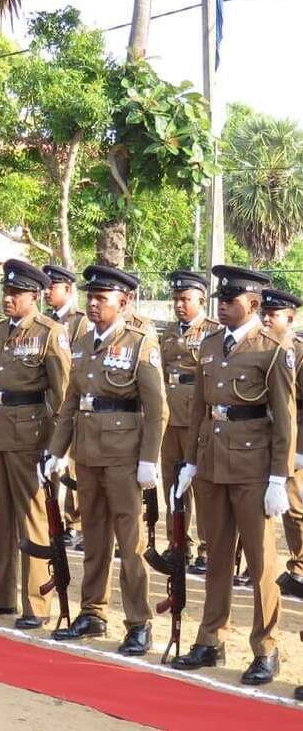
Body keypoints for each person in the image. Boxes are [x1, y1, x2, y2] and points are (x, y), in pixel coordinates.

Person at [172, 266, 295, 686]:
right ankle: (211, 639)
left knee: (261, 562)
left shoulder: (273, 348)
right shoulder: (209, 345)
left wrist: (278, 478)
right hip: (212, 464)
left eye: (231, 299)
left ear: (254, 303)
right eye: (220, 299)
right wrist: (191, 462)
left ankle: (266, 648)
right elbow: (198, 409)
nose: (222, 305)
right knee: (217, 556)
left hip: (252, 468)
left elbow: (285, 420)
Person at [45, 265, 167, 656]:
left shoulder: (140, 343)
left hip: (123, 458)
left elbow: (157, 409)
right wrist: (57, 450)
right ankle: (92, 612)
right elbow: (71, 402)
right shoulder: (82, 342)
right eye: (91, 297)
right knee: (95, 540)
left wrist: (149, 459)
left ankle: (138, 623)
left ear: (124, 301)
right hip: (87, 455)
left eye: (102, 298)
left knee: (130, 545)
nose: (94, 304)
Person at [0, 260, 70, 628]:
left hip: (30, 436)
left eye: (16, 293)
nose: (8, 298)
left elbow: (63, 394)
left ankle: (36, 602)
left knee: (32, 518)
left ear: (34, 296)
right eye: (6, 291)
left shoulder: (49, 333)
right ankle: (0, 594)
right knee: (0, 516)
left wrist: (58, 447)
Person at [160, 270, 220, 575]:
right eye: (175, 299)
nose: (179, 304)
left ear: (201, 300)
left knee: (202, 485)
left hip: (198, 418)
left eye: (185, 299)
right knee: (172, 484)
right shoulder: (169, 331)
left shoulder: (214, 331)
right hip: (169, 418)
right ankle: (177, 543)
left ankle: (207, 548)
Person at [42, 264, 90, 546]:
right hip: (47, 403)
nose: (47, 292)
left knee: (71, 466)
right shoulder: (47, 321)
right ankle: (53, 519)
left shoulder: (80, 323)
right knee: (50, 461)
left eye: (52, 286)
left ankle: (75, 521)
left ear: (68, 289)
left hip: (71, 401)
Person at [259, 288, 303, 597]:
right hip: (261, 433)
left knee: (294, 503)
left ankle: (300, 566)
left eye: (272, 315)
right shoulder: (256, 347)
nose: (265, 319)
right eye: (263, 313)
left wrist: (298, 450)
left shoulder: (297, 352)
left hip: (295, 436)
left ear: (289, 319)